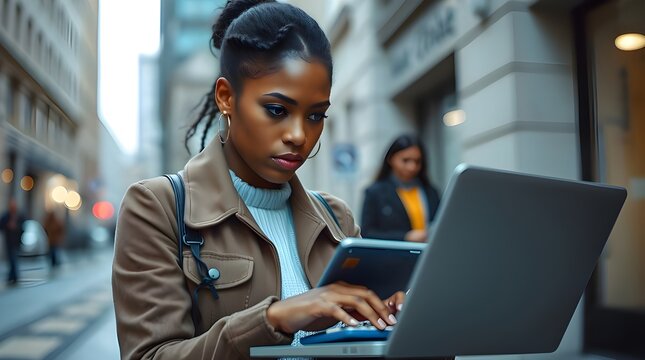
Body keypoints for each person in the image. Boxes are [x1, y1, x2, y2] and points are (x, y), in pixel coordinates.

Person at [111, 2, 407, 359]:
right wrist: (274, 320)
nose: (299, 135)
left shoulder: (336, 218)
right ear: (227, 98)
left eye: (316, 115)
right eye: (277, 110)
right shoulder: (158, 207)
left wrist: (405, 323)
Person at [360, 134, 441, 242]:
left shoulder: (431, 192)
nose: (412, 167)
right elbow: (367, 234)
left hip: (430, 255)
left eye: (417, 161)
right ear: (390, 159)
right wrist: (405, 237)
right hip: (392, 257)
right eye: (405, 160)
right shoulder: (375, 193)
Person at [0, 198, 26, 285]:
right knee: (11, 259)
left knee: (14, 258)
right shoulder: (6, 216)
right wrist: (8, 225)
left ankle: (13, 276)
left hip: (17, 241)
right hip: (9, 240)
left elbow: (23, 227)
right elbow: (1, 225)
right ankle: (12, 276)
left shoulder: (19, 216)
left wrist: (16, 227)